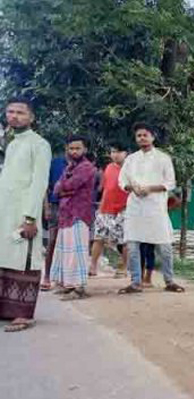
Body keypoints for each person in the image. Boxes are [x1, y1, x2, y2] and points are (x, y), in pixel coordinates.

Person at [0, 97, 51, 332]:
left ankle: (23, 314)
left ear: (31, 117)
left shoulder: (39, 144)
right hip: (5, 211)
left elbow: (39, 183)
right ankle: (6, 310)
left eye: (20, 112)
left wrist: (30, 217)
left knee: (25, 258)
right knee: (6, 256)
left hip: (24, 213)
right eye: (10, 112)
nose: (14, 116)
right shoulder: (12, 145)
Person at [118, 122, 184, 294]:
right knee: (132, 245)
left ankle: (169, 280)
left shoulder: (163, 158)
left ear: (153, 137)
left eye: (145, 135)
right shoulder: (131, 159)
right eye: (139, 135)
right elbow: (122, 181)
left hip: (155, 208)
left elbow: (170, 183)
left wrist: (150, 189)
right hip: (135, 207)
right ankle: (135, 282)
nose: (142, 138)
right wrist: (132, 188)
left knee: (164, 246)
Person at [49, 135, 97, 300]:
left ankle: (79, 288)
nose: (74, 151)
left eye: (77, 148)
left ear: (85, 149)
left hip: (79, 214)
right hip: (65, 213)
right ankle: (69, 285)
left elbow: (68, 185)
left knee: (77, 251)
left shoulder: (87, 167)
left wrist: (63, 188)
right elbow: (56, 189)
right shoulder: (69, 167)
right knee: (65, 250)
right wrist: (63, 188)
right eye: (71, 148)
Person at [90, 141, 129, 278]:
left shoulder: (131, 169)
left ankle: (123, 267)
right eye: (113, 152)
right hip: (106, 208)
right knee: (98, 238)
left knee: (124, 240)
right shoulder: (108, 168)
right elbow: (106, 189)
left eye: (118, 152)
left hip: (124, 209)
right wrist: (101, 207)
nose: (115, 155)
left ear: (126, 153)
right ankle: (93, 266)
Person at [41, 151, 68, 290]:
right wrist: (46, 207)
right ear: (66, 147)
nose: (73, 151)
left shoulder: (83, 165)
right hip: (56, 206)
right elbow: (45, 186)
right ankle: (47, 276)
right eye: (70, 147)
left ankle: (64, 279)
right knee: (52, 241)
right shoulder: (55, 163)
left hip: (74, 207)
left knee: (69, 244)